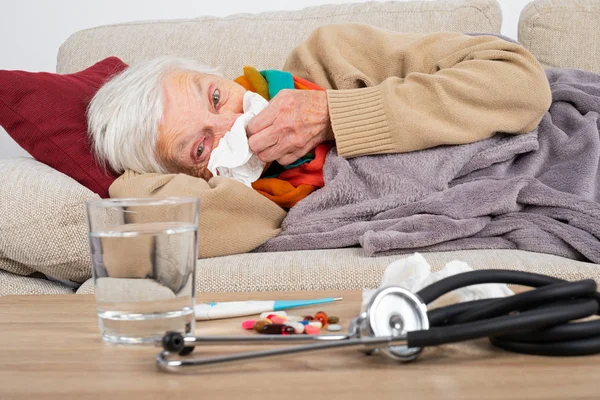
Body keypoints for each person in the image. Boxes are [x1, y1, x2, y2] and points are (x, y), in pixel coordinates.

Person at [87, 23, 551, 258]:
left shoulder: (328, 56)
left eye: (215, 96)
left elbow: (520, 83)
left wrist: (335, 115)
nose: (231, 124)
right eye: (200, 147)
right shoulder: (256, 207)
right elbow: (141, 217)